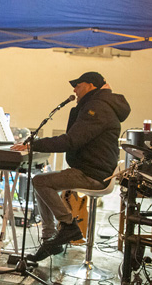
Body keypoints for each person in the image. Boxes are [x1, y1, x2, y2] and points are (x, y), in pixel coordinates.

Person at [14, 71, 130, 260]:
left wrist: (34, 144)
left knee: (41, 182)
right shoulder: (100, 105)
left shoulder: (98, 108)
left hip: (92, 174)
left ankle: (66, 227)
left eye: (78, 85)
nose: (74, 89)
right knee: (42, 181)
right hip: (93, 170)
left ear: (91, 85)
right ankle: (50, 237)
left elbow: (71, 141)